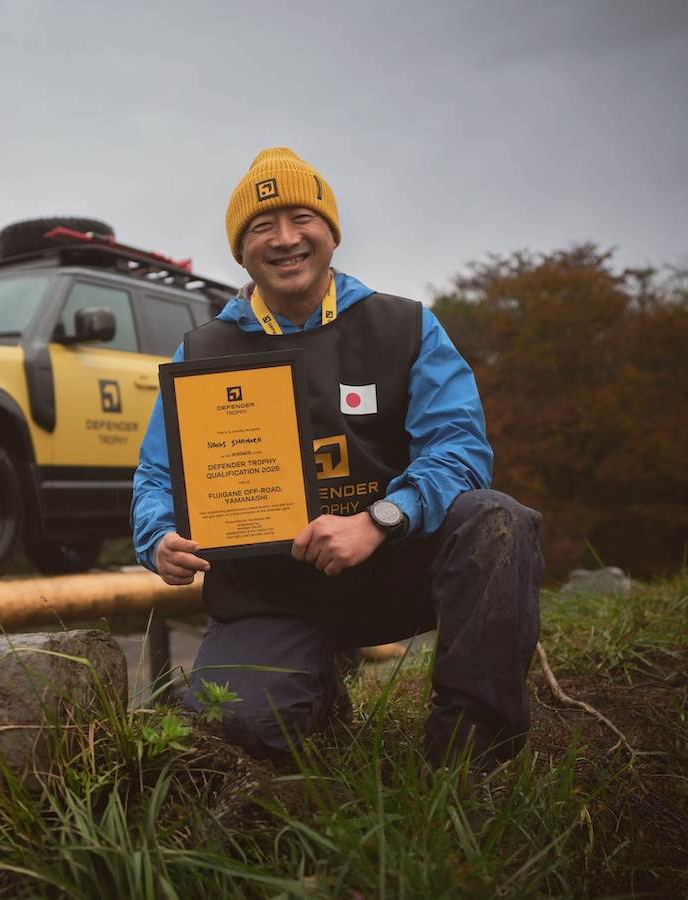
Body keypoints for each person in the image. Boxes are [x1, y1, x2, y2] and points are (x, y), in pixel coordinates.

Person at [131, 147, 543, 769]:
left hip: (393, 563)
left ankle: (469, 751)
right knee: (237, 726)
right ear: (240, 250)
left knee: (496, 519)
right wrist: (156, 536)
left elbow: (459, 449)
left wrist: (379, 520)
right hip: (272, 591)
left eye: (302, 219)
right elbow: (159, 472)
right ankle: (314, 690)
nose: (285, 239)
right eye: (261, 227)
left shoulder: (405, 326)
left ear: (331, 234)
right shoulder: (203, 351)